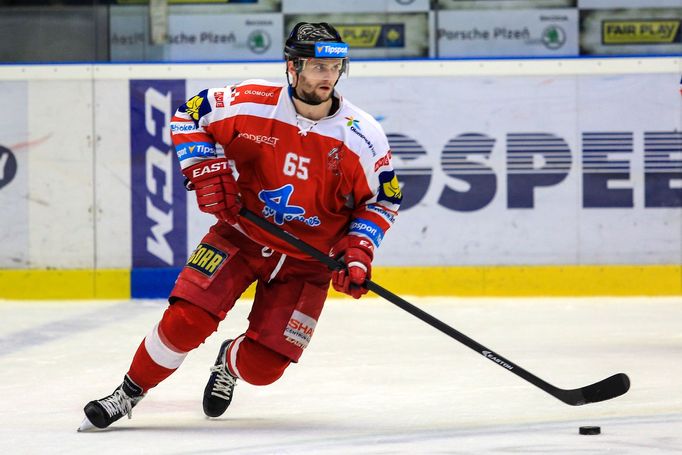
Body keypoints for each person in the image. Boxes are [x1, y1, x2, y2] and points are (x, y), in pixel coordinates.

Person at [78, 22, 401, 431]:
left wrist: (358, 250)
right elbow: (189, 115)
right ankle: (127, 393)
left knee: (264, 368)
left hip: (307, 262)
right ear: (293, 66)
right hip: (241, 235)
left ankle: (228, 360)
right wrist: (204, 169)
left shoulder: (362, 136)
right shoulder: (251, 102)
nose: (328, 76)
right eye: (318, 66)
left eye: (335, 66)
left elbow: (385, 199)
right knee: (186, 320)